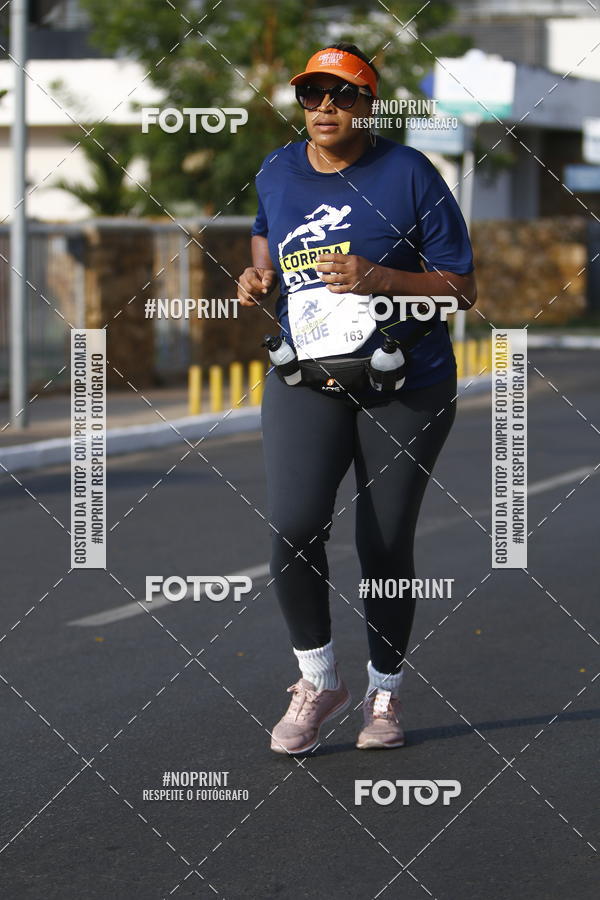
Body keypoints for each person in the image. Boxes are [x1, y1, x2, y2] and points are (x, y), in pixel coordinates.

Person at [236, 42, 477, 754]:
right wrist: (258, 279)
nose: (324, 108)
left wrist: (382, 277)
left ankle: (384, 694)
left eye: (340, 96)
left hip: (406, 383)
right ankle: (318, 682)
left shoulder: (408, 174)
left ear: (369, 105)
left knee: (383, 541)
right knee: (293, 527)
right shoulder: (278, 169)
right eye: (312, 95)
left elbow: (462, 286)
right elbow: (264, 236)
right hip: (306, 379)